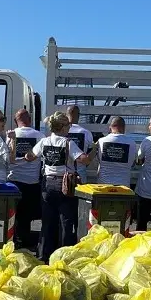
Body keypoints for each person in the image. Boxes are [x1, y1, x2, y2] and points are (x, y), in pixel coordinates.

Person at [24, 111, 91, 261]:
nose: (69, 127)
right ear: (62, 127)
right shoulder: (68, 143)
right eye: (68, 125)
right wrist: (94, 151)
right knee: (66, 222)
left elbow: (29, 157)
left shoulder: (44, 142)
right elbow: (84, 160)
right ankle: (63, 257)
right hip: (65, 184)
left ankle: (44, 256)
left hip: (47, 184)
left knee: (47, 222)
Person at [8, 108, 44, 251]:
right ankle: (25, 240)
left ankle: (14, 240)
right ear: (29, 120)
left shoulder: (11, 135)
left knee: (14, 213)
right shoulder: (39, 135)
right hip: (32, 180)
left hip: (13, 179)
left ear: (16, 121)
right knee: (27, 214)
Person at [96, 116, 137, 187]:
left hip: (103, 185)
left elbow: (99, 161)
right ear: (124, 128)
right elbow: (133, 164)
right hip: (123, 186)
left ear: (110, 128)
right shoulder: (132, 143)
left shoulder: (101, 141)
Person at [64, 105, 95, 182]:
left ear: (66, 115)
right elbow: (89, 155)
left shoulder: (61, 131)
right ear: (78, 115)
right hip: (80, 175)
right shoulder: (86, 133)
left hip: (64, 176)